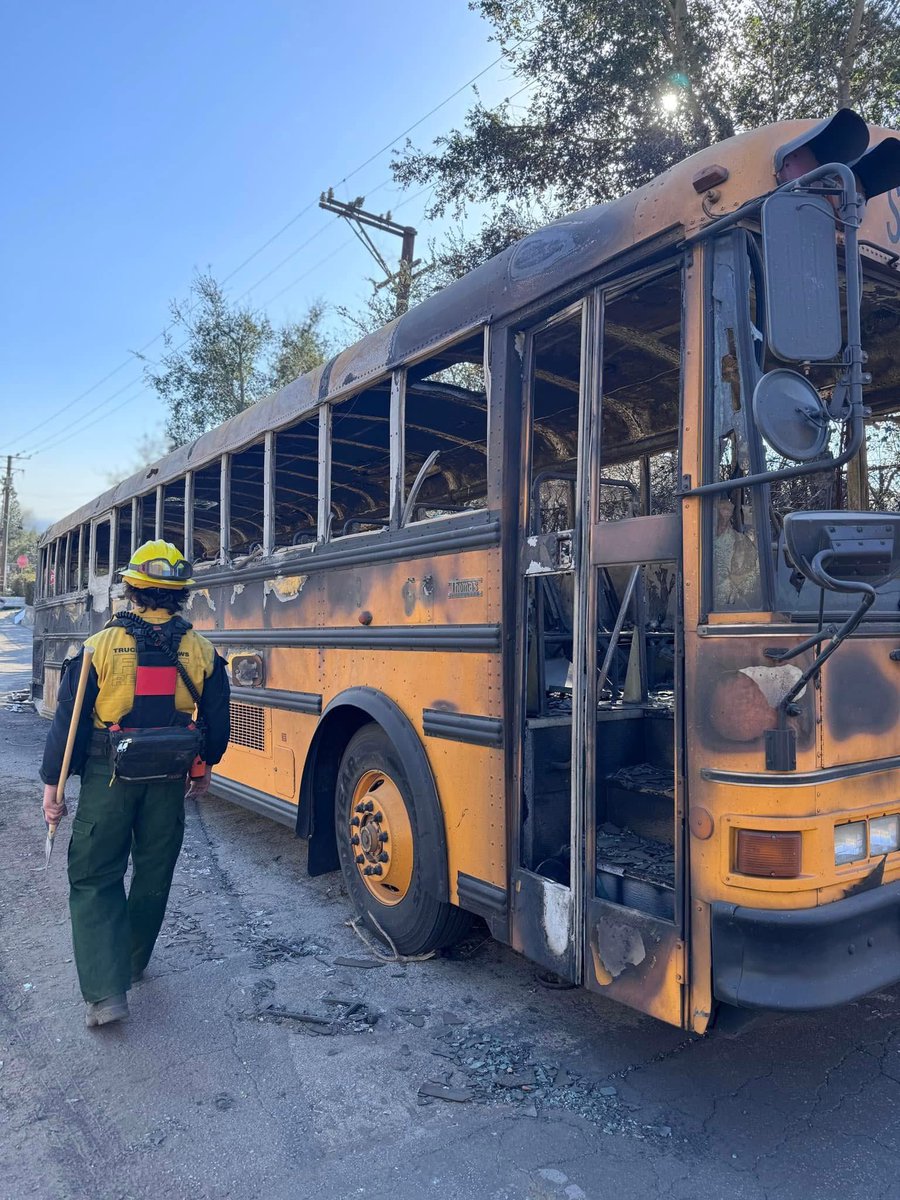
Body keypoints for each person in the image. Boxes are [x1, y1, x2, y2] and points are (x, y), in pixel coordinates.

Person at [40, 540, 230, 1028]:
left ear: (131, 591)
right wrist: (203, 767)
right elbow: (216, 722)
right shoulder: (202, 649)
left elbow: (71, 721)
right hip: (168, 778)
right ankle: (131, 960)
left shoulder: (100, 646)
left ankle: (106, 993)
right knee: (154, 869)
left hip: (109, 779)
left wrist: (53, 788)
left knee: (95, 875)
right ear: (180, 596)